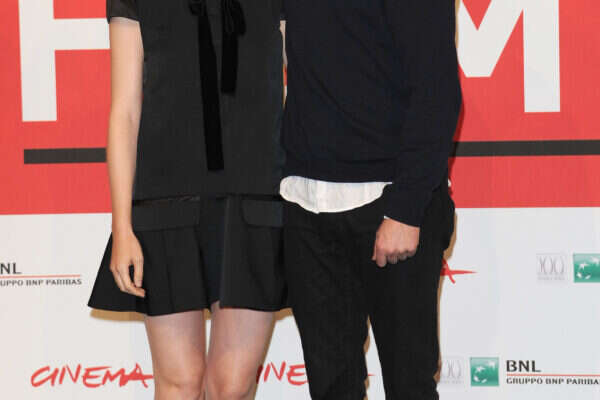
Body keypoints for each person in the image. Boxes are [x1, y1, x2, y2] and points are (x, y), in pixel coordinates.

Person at [88, 1, 286, 399]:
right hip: (166, 202)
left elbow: (303, 87)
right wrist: (122, 227)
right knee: (180, 382)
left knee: (232, 386)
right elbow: (125, 111)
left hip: (254, 197)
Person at [280, 0, 461, 399]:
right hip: (306, 204)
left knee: (409, 386)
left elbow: (437, 90)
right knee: (331, 389)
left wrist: (406, 209)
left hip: (390, 202)